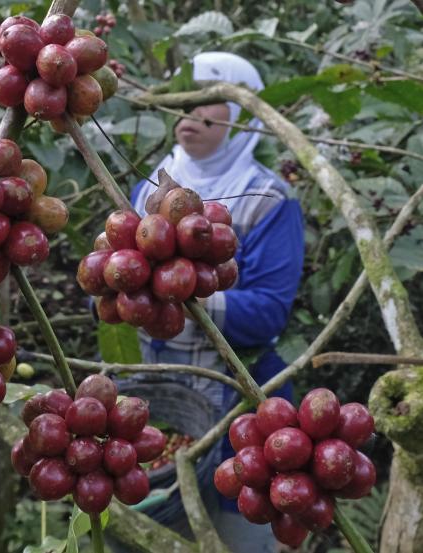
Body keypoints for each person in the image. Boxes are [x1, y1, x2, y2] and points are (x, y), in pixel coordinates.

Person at [130, 52, 305, 552]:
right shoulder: (149, 186)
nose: (192, 118)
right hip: (163, 397)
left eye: (211, 104)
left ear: (244, 116)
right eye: (185, 103)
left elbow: (270, 311)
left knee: (235, 532)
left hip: (237, 402)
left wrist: (182, 294)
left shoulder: (268, 198)